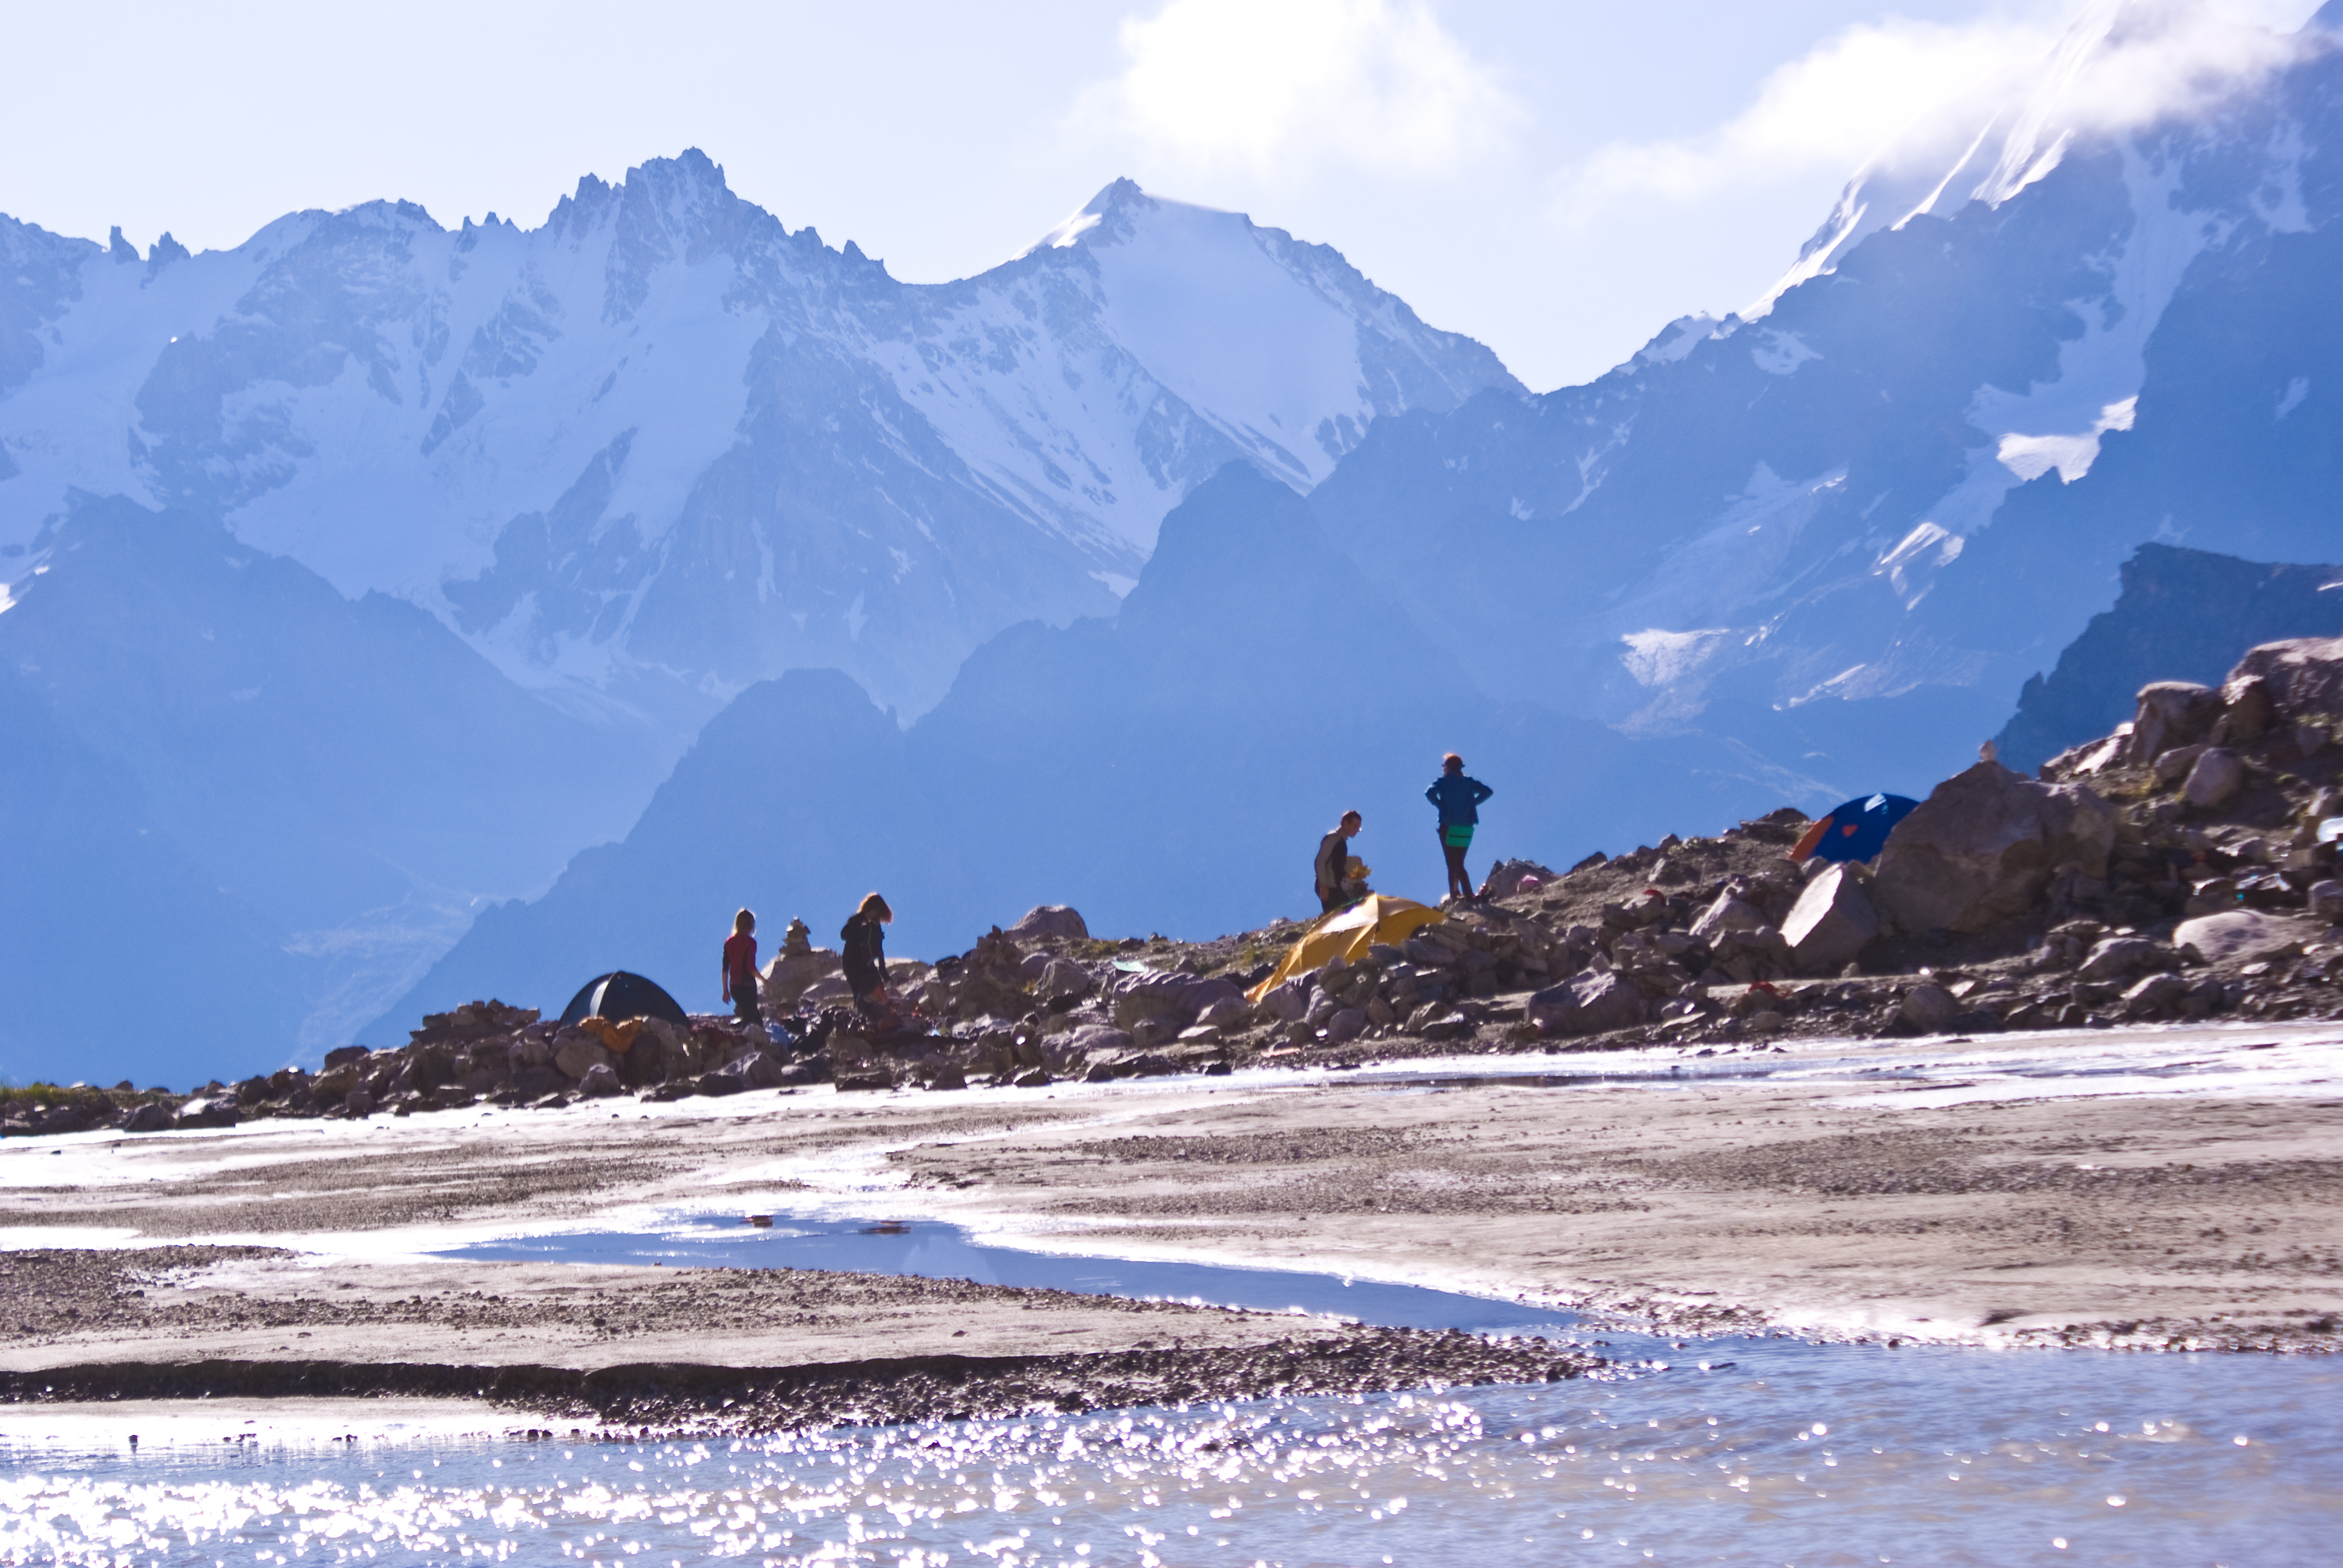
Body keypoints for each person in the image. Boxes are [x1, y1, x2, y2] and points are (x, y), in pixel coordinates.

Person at [1426, 753, 1494, 901]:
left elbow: (1429, 793)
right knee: (1458, 862)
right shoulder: (1469, 782)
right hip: (1466, 828)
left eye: (1444, 766)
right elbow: (1488, 792)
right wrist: (1472, 804)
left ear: (1448, 767)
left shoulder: (1443, 782)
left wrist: (1441, 806)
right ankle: (1458, 893)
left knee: (1452, 863)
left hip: (1448, 827)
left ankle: (1462, 894)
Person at [841, 892, 894, 1022]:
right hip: (853, 962)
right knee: (860, 994)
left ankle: (872, 1020)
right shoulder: (857, 921)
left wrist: (883, 972)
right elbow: (844, 934)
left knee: (873, 992)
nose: (875, 916)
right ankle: (861, 1020)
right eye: (875, 912)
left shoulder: (874, 927)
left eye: (878, 915)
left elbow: (878, 951)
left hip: (867, 965)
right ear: (870, 909)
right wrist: (860, 935)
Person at [1314, 811, 1364, 913]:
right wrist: (1323, 886)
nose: (1357, 830)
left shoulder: (1342, 843)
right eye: (1355, 826)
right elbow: (1320, 861)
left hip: (1334, 888)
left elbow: (1337, 869)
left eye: (1358, 828)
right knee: (1352, 912)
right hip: (1329, 887)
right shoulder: (1334, 838)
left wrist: (1353, 876)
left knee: (1339, 917)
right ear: (1345, 823)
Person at [721, 908, 761, 1025]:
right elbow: (750, 967)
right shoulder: (751, 942)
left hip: (734, 988)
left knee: (751, 1014)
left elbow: (725, 968)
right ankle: (749, 1038)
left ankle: (749, 1035)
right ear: (750, 925)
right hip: (748, 985)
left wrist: (725, 991)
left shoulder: (729, 943)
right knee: (751, 1016)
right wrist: (764, 981)